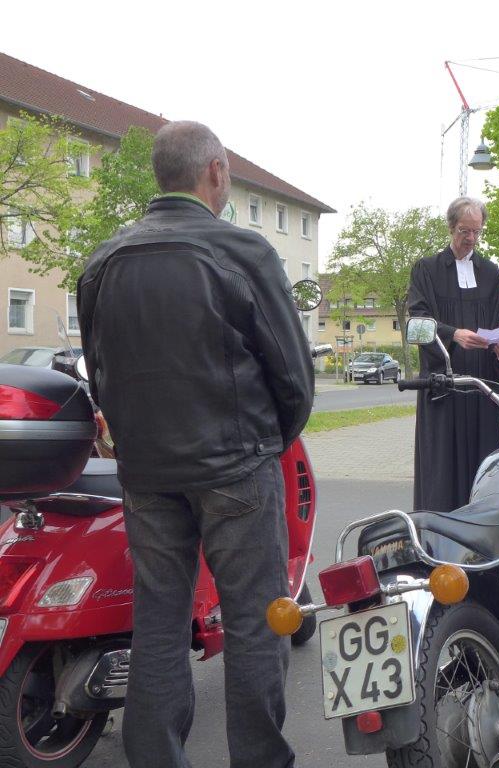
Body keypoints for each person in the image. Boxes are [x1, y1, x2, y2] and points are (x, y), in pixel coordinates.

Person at [77, 121, 312, 768]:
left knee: (158, 619)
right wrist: (268, 440)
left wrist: (133, 442)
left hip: (147, 474)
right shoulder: (243, 251)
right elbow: (294, 378)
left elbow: (99, 370)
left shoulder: (104, 259)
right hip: (236, 467)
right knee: (255, 620)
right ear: (215, 171)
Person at [407, 197, 499, 512]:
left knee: (483, 467)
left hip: (480, 388)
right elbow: (418, 322)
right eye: (465, 231)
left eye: (477, 231)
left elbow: (498, 323)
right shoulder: (426, 270)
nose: (471, 238)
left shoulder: (491, 273)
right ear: (451, 227)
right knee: (441, 470)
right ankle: (438, 531)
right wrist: (453, 334)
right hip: (443, 386)